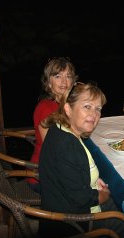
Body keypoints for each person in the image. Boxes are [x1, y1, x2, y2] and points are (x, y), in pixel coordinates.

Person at [37, 82, 124, 238]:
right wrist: (104, 195)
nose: (94, 114)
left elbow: (72, 172)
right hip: (73, 224)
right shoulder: (67, 145)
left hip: (62, 205)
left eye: (98, 109)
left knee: (121, 200)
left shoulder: (60, 129)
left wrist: (93, 179)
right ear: (68, 109)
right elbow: (82, 199)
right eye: (87, 106)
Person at [28, 57, 77, 192]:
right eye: (57, 76)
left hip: (63, 168)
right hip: (43, 175)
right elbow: (52, 149)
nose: (64, 81)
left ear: (73, 81)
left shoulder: (70, 105)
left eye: (68, 76)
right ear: (49, 82)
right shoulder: (45, 108)